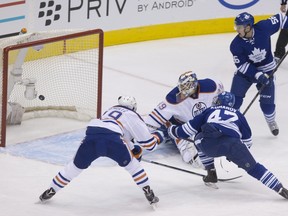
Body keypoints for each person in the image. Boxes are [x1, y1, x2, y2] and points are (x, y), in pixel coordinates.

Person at [39, 96, 164, 206]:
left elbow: (116, 132)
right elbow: (149, 145)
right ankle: (147, 190)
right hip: (112, 139)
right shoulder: (133, 115)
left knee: (74, 167)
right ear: (133, 107)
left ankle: (51, 190)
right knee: (133, 167)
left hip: (92, 134)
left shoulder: (108, 111)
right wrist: (158, 137)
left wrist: (132, 148)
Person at [167, 91, 288, 199]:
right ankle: (280, 188)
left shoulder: (209, 110)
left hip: (209, 143)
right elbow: (248, 142)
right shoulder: (239, 115)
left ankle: (211, 172)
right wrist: (235, 153)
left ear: (218, 101)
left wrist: (171, 130)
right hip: (233, 144)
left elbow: (186, 131)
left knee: (198, 138)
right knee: (254, 168)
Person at [144, 71, 224, 167]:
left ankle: (163, 134)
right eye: (182, 87)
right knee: (193, 158)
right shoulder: (173, 98)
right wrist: (140, 136)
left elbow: (223, 97)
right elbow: (151, 122)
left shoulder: (211, 86)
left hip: (203, 125)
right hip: (182, 128)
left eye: (186, 87)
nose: (182, 90)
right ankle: (162, 134)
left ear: (194, 84)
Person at [230, 11, 288, 136]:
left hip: (267, 70)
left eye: (239, 27)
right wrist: (257, 75)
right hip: (245, 74)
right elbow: (242, 65)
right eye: (237, 27)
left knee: (268, 106)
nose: (237, 30)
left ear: (248, 27)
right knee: (234, 101)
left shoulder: (264, 27)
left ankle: (271, 121)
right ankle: (232, 124)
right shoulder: (235, 44)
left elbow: (282, 18)